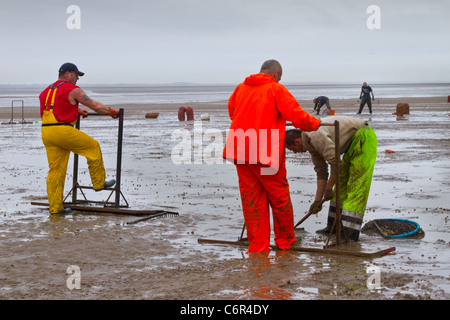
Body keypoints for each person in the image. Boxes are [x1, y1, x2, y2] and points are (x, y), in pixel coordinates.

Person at [223, 59, 321, 253]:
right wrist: (315, 124)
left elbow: (232, 111)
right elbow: (297, 115)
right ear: (276, 74)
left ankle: (258, 245)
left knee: (252, 199)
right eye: (280, 77)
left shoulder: (241, 88)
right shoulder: (276, 89)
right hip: (265, 154)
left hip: (240, 151)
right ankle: (285, 241)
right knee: (279, 197)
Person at [39, 62, 120, 214]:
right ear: (68, 74)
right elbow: (95, 106)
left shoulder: (46, 92)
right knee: (93, 147)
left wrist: (76, 112)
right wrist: (110, 111)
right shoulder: (72, 89)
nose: (77, 79)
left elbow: (54, 110)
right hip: (63, 131)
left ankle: (55, 209)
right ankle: (98, 183)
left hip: (47, 133)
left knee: (55, 171)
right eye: (77, 75)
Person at [285, 116, 377, 242]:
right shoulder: (310, 145)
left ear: (297, 142)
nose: (295, 153)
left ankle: (349, 234)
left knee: (357, 186)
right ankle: (333, 227)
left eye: (292, 150)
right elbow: (321, 172)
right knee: (341, 185)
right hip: (351, 144)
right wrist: (317, 201)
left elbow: (336, 164)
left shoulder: (314, 136)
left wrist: (328, 188)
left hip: (363, 136)